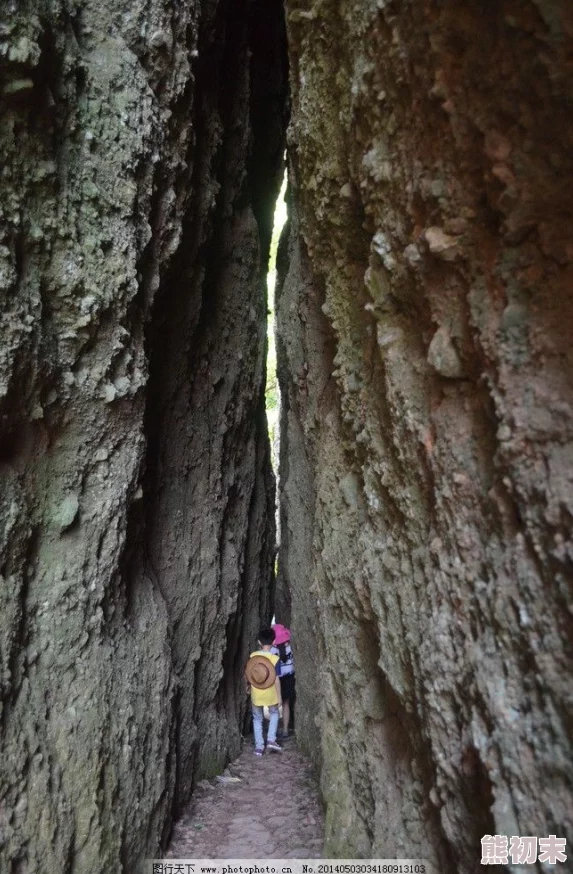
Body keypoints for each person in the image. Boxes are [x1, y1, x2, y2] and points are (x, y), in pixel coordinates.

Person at [245, 627, 283, 756]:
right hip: (270, 691)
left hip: (257, 691)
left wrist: (248, 686)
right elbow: (276, 679)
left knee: (257, 718)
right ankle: (271, 739)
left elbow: (249, 674)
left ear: (259, 642)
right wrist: (280, 697)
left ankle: (259, 747)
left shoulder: (253, 656)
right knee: (274, 713)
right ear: (273, 642)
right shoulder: (275, 658)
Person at [271, 623, 295, 740]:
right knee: (286, 704)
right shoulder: (290, 647)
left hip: (276, 679)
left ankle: (273, 731)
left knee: (274, 704)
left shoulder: (273, 649)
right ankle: (285, 729)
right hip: (289, 677)